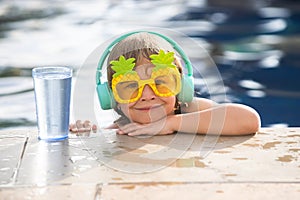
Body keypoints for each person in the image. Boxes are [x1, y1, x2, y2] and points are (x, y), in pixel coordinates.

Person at [69, 32, 261, 136]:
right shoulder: (127, 123)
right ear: (111, 98)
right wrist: (90, 132)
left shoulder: (189, 109)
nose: (147, 95)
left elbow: (249, 120)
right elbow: (108, 138)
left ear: (181, 88)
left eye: (161, 82)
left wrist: (170, 123)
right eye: (130, 87)